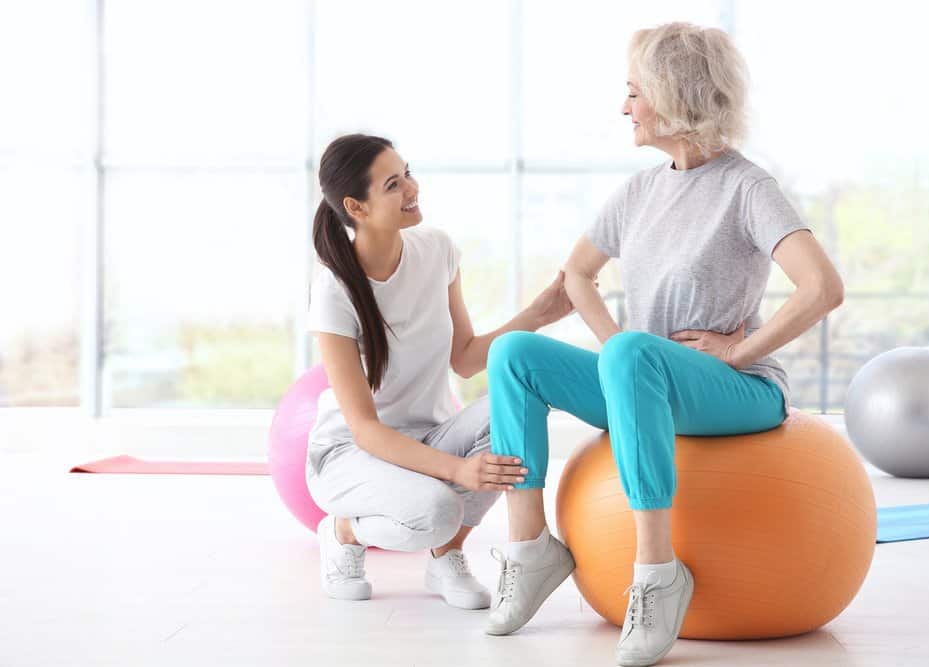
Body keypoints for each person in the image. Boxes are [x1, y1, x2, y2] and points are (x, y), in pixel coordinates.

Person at [483, 22, 845, 667]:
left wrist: (740, 350)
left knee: (628, 355)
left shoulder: (746, 187)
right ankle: (530, 549)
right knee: (513, 354)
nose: (624, 107)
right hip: (645, 380)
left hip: (739, 391)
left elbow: (822, 287)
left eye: (633, 92)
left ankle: (656, 572)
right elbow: (576, 274)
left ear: (675, 95)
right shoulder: (641, 190)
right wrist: (615, 344)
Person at [305, 134, 573, 609]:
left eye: (407, 172)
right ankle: (344, 530)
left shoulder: (437, 250)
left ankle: (445, 556)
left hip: (427, 434)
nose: (412, 188)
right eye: (393, 184)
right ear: (356, 207)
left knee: (515, 407)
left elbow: (465, 358)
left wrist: (538, 314)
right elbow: (365, 429)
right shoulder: (334, 289)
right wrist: (456, 470)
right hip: (351, 453)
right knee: (438, 509)